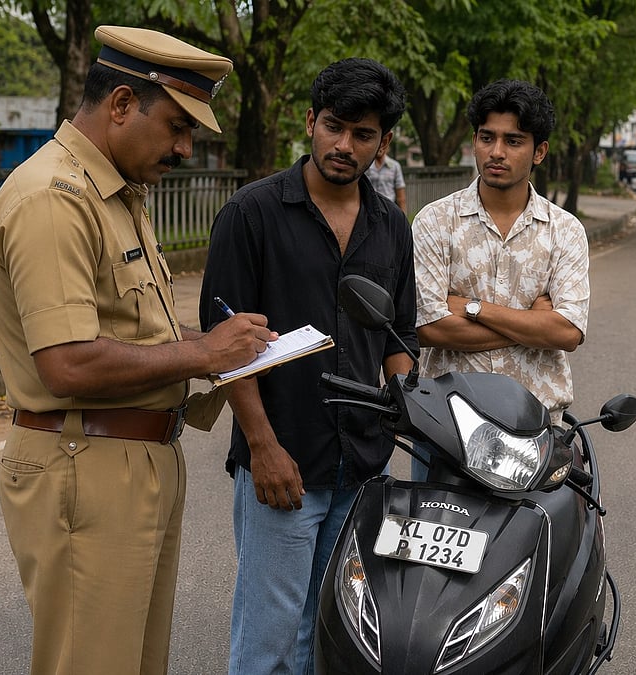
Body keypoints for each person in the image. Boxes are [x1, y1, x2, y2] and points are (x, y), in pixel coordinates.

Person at [0, 25, 276, 675]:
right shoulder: (53, 198)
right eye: (175, 126)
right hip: (87, 462)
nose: (183, 146)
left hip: (129, 459)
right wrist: (203, 357)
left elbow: (126, 333)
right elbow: (67, 362)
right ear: (120, 104)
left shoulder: (115, 193)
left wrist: (221, 343)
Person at [198, 57, 417, 675]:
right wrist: (263, 447)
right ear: (310, 122)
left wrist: (405, 397)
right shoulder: (252, 214)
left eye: (363, 134)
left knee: (333, 633)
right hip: (281, 460)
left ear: (384, 143)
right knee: (268, 640)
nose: (344, 145)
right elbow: (223, 345)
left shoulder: (390, 227)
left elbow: (398, 336)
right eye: (333, 126)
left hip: (362, 466)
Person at [411, 79, 590, 481]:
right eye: (487, 137)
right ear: (474, 141)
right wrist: (532, 323)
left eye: (513, 141)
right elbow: (430, 327)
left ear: (539, 151)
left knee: (536, 543)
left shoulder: (564, 230)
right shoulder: (436, 222)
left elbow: (568, 332)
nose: (496, 152)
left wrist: (473, 309)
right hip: (445, 428)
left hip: (536, 430)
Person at [366, 141, 407, 211]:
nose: (380, 149)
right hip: (370, 208)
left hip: (389, 208)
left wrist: (404, 217)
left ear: (387, 147)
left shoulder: (395, 166)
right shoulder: (366, 165)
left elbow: (401, 196)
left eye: (382, 145)